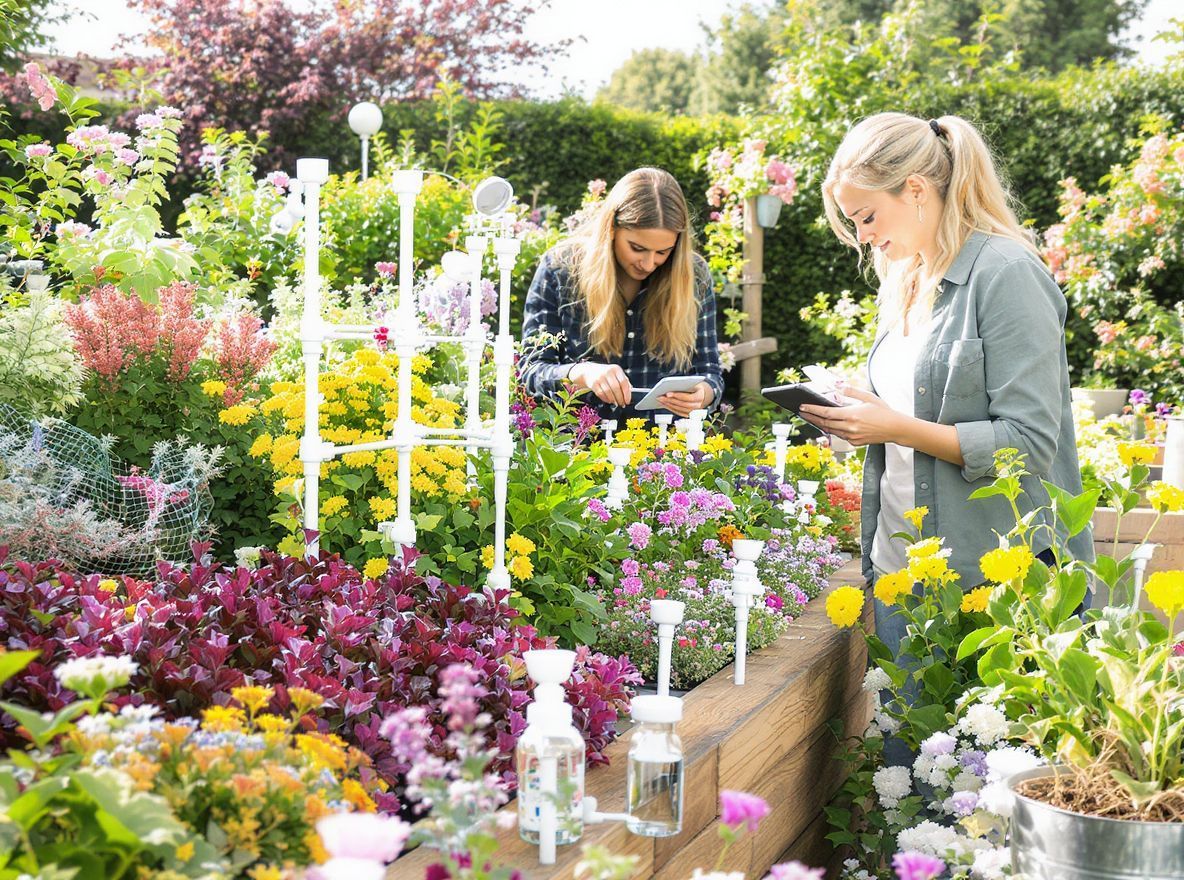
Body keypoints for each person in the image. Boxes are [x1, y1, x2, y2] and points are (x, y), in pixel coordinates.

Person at [801, 112, 1093, 644]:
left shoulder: (1005, 274)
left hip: (998, 579)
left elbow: (1027, 443)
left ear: (915, 189)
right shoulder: (908, 278)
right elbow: (919, 408)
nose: (863, 237)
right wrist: (858, 411)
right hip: (901, 571)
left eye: (867, 217)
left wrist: (893, 427)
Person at [518, 167, 723, 420]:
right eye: (637, 248)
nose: (648, 264)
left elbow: (710, 373)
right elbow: (531, 371)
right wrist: (580, 374)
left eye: (663, 252)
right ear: (611, 229)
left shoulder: (693, 275)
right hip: (576, 440)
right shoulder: (560, 269)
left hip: (664, 441)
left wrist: (703, 394)